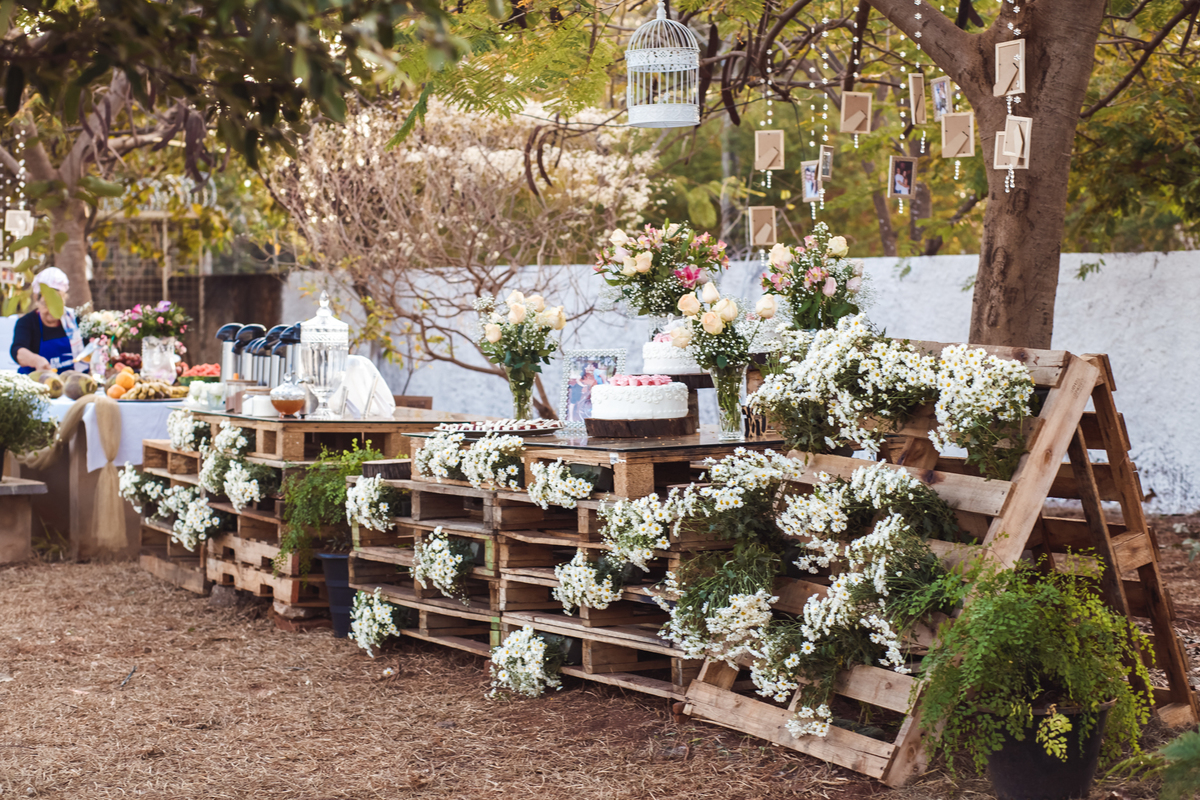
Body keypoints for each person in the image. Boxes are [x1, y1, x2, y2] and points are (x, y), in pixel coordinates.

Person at [10, 267, 84, 374]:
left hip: (72, 383)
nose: (51, 310)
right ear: (36, 299)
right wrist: (36, 360)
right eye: (46, 304)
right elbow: (17, 350)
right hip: (37, 382)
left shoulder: (75, 320)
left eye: (57, 304)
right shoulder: (27, 322)